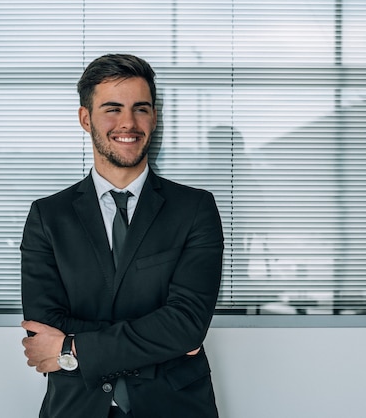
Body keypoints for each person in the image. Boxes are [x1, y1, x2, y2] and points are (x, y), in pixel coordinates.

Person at [20, 53, 224, 418]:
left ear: (155, 117)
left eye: (140, 109)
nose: (128, 122)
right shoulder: (48, 216)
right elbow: (43, 327)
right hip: (77, 406)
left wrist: (71, 347)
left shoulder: (194, 208)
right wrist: (162, 340)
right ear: (86, 119)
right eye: (112, 109)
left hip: (174, 407)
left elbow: (187, 325)